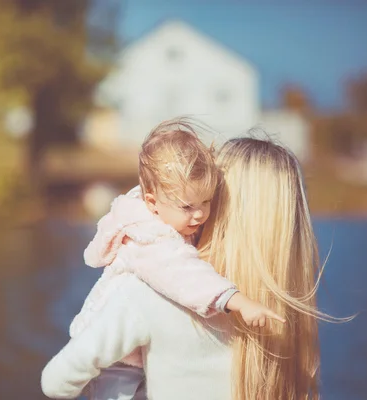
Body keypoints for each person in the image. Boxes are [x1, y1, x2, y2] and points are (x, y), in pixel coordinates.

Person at [41, 133, 331, 400]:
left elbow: (55, 381)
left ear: (220, 208)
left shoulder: (148, 294)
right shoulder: (285, 317)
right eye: (189, 204)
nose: (198, 214)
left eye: (207, 201)